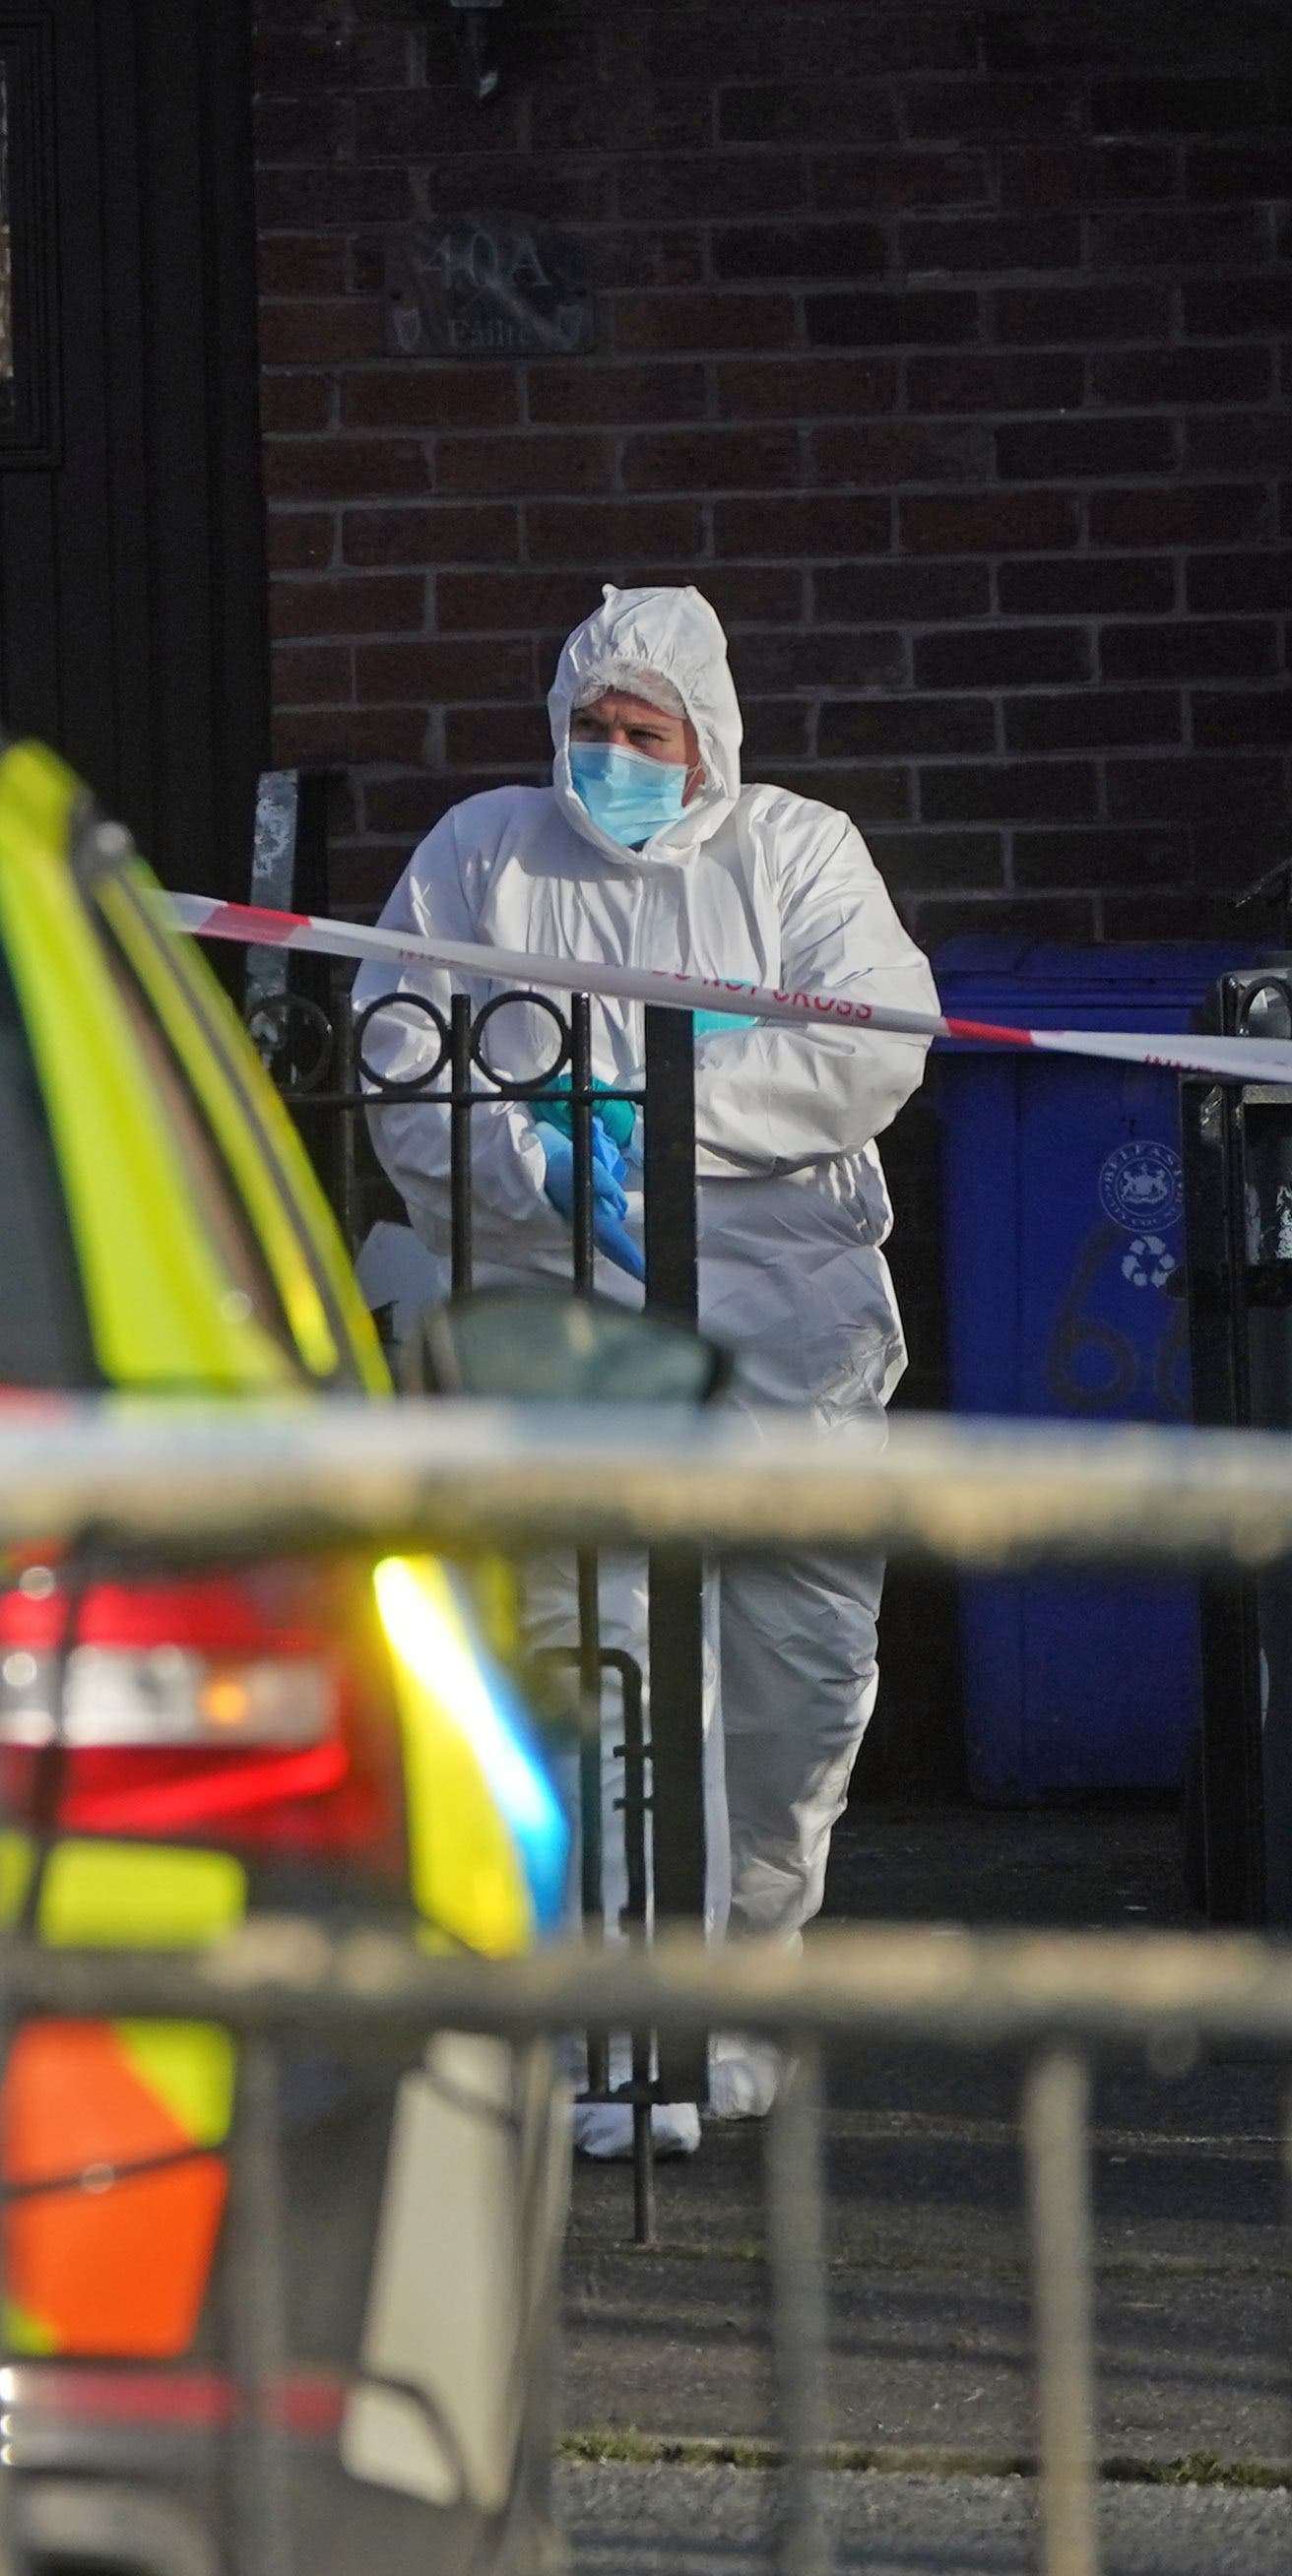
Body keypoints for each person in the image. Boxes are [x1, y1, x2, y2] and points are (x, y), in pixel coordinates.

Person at [354, 584, 933, 2155]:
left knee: (795, 1677)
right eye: (588, 730)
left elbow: (872, 1039)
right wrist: (536, 1167)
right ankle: (626, 2037)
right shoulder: (484, 853)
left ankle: (745, 1989)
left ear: (707, 745)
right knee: (598, 1660)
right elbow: (398, 1052)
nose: (609, 757)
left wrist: (653, 1117)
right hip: (562, 1316)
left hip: (786, 1318)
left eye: (642, 734)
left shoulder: (794, 853)